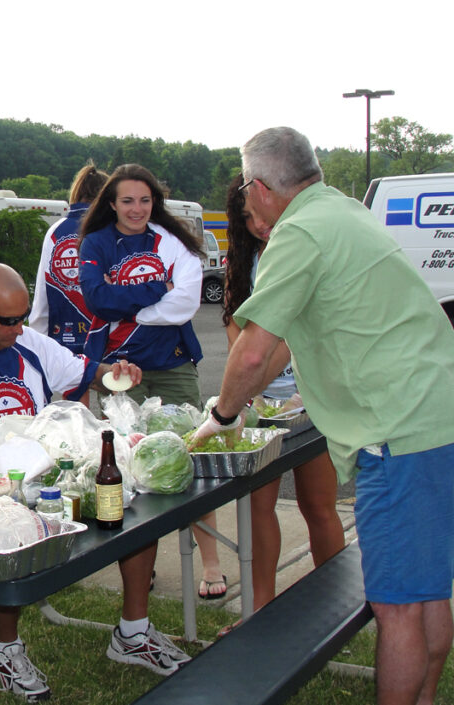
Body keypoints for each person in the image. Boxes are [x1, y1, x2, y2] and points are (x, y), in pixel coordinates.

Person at [190, 126, 454, 705]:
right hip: (437, 416)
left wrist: (224, 414)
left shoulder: (300, 231)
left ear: (258, 187)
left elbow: (255, 349)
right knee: (428, 592)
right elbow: (287, 337)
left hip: (401, 433)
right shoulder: (342, 211)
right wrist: (237, 403)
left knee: (398, 606)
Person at [0, 262, 190, 700]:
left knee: (125, 499)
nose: (18, 329)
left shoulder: (29, 343)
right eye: (7, 320)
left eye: (21, 317)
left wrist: (117, 372)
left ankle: (132, 632)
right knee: (5, 525)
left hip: (43, 472)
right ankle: (4, 649)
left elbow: (85, 370)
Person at [77, 164, 228, 601]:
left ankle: (212, 563)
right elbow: (96, 299)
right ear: (111, 203)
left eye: (145, 200)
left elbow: (184, 304)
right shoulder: (96, 242)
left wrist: (132, 308)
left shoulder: (173, 241)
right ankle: (142, 568)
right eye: (127, 200)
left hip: (174, 364)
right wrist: (157, 286)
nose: (137, 209)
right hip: (119, 370)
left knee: (191, 463)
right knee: (132, 471)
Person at [219, 172, 345, 623]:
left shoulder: (306, 246)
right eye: (247, 217)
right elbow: (240, 340)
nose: (258, 224)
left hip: (312, 403)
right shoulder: (243, 261)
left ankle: (335, 608)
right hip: (259, 407)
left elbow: (305, 331)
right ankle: (260, 609)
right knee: (258, 508)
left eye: (259, 212)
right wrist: (245, 399)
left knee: (318, 505)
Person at [29, 163, 108, 403]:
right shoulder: (111, 229)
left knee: (76, 418)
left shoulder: (55, 231)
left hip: (65, 337)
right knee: (115, 410)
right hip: (107, 334)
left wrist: (37, 335)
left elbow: (44, 290)